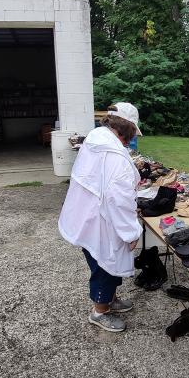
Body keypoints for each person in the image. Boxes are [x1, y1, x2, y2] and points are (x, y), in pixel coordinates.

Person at [58, 103, 143, 333]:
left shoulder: (97, 138)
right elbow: (119, 199)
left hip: (87, 215)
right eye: (132, 133)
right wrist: (131, 232)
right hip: (101, 221)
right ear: (125, 129)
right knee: (104, 266)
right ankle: (99, 311)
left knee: (105, 264)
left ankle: (110, 299)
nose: (132, 139)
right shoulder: (113, 154)